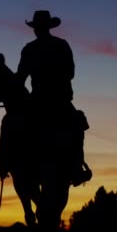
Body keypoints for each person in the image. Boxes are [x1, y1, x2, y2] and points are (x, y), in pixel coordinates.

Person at [15, 10, 91, 186]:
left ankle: (76, 166)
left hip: (51, 99)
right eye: (37, 27)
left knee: (76, 124)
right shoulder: (50, 46)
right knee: (75, 126)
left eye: (39, 27)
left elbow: (21, 77)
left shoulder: (44, 47)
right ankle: (76, 168)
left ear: (44, 27)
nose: (37, 30)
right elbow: (70, 73)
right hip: (51, 100)